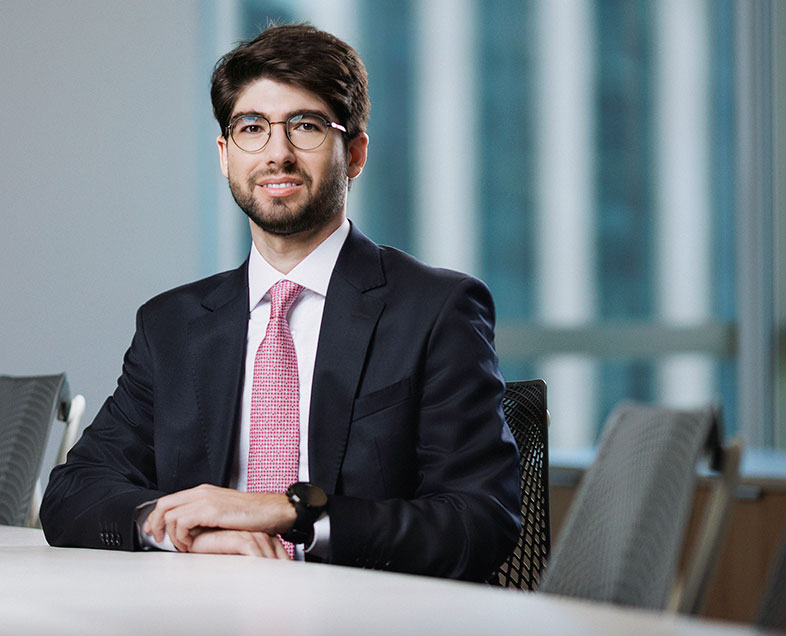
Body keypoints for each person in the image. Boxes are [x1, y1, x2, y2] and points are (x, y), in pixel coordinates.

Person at [40, 23, 520, 582]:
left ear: (356, 153)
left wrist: (293, 513)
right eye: (252, 128)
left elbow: (480, 520)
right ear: (224, 155)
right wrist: (176, 528)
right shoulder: (170, 325)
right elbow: (73, 493)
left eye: (307, 126)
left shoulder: (437, 309)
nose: (278, 154)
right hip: (199, 612)